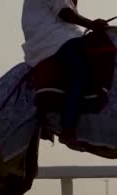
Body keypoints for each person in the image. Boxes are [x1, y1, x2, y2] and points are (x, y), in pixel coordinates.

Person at [21, 0, 108, 145]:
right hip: (52, 39)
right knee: (80, 69)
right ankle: (68, 127)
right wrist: (92, 25)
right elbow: (65, 13)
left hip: (62, 36)